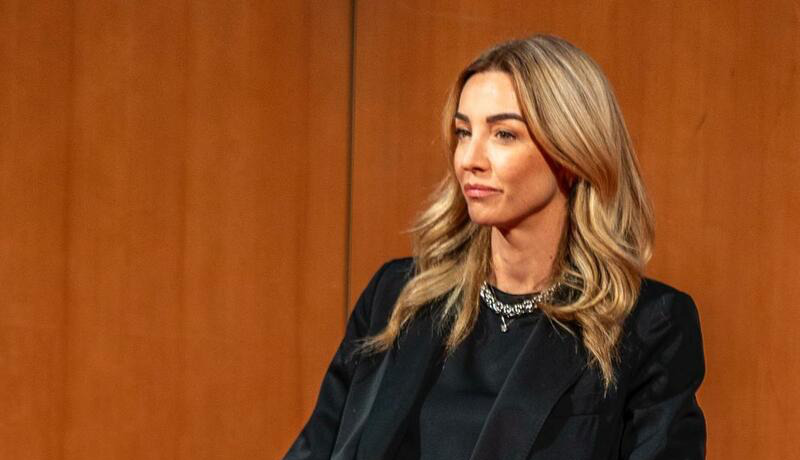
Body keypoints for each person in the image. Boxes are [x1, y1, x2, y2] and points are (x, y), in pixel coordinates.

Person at [284, 34, 706, 460]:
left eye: (504, 134)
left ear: (572, 153)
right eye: (463, 132)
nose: (470, 158)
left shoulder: (648, 326)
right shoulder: (397, 298)